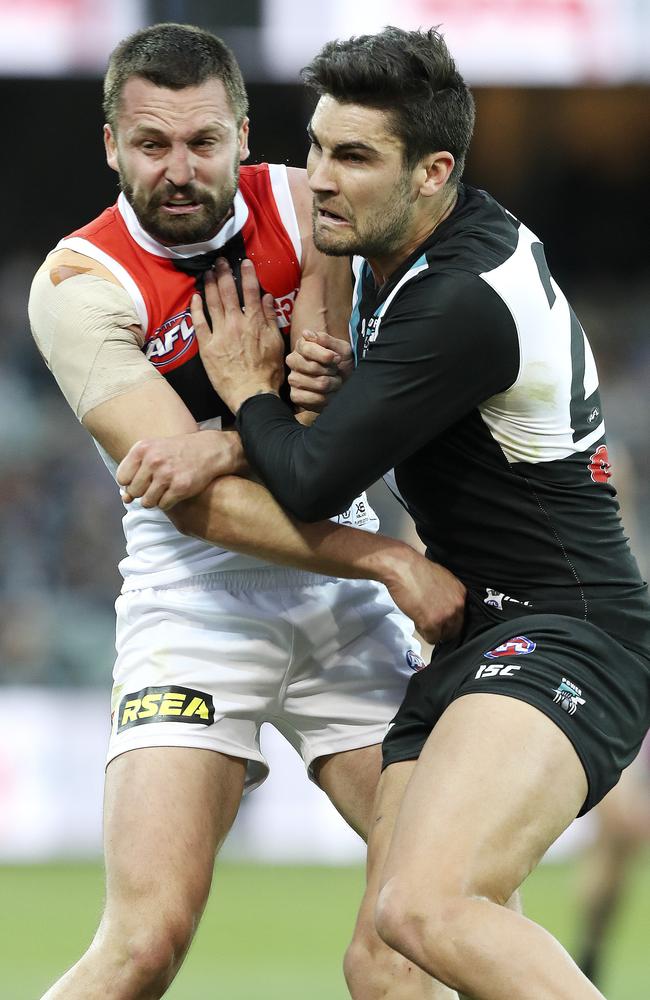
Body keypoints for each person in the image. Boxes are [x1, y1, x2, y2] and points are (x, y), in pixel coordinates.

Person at [147, 25, 650, 1000]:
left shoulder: (460, 297)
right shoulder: (412, 252)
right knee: (383, 964)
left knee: (427, 907)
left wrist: (246, 391)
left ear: (431, 172)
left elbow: (310, 483)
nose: (318, 179)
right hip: (477, 633)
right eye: (316, 147)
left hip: (565, 633)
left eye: (352, 157)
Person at [28, 22, 467, 1000]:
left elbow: (341, 414)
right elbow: (193, 508)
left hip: (339, 611)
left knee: (429, 926)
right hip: (195, 609)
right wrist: (389, 559)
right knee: (141, 945)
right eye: (150, 145)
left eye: (202, 143)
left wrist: (230, 424)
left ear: (243, 132)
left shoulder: (309, 204)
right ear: (110, 144)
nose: (177, 170)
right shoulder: (75, 287)